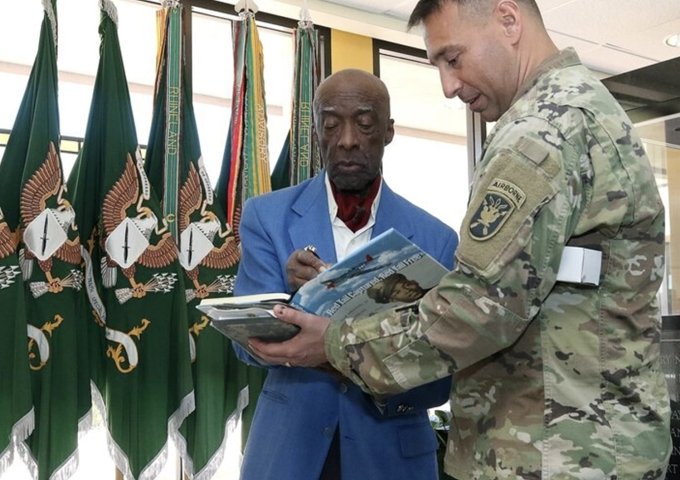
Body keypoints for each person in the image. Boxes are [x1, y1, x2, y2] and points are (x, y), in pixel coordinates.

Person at [249, 1, 673, 479]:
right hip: (581, 443)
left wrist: (336, 343)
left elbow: (479, 306)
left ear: (508, 20)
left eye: (453, 59)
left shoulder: (541, 129)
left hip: (555, 451)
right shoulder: (582, 109)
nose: (448, 86)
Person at [233, 68, 459, 480]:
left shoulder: (437, 239)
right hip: (288, 453)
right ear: (316, 131)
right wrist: (287, 298)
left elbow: (440, 383)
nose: (348, 140)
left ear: (388, 131)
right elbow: (245, 348)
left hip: (390, 457)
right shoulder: (266, 217)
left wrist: (343, 352)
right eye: (332, 124)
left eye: (366, 124)